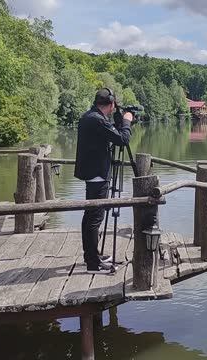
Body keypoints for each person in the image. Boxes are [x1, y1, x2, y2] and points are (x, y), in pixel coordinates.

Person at [74, 88, 134, 274]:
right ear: (111, 104)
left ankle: (91, 256)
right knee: (95, 218)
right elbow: (123, 139)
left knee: (90, 216)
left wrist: (118, 120)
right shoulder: (98, 120)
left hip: (92, 172)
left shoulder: (91, 116)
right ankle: (93, 264)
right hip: (97, 174)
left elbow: (112, 135)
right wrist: (127, 121)